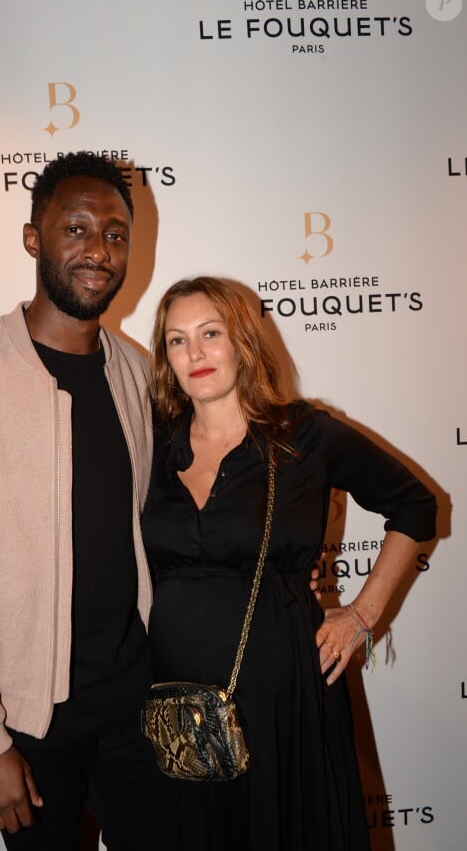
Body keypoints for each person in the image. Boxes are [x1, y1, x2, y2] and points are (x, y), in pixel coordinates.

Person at [0, 151, 178, 851]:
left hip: (136, 708)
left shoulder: (138, 375)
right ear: (34, 238)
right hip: (27, 725)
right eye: (77, 228)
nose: (98, 249)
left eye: (115, 234)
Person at [141, 276, 437, 850]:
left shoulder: (303, 436)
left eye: (210, 333)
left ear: (244, 341)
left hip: (280, 693)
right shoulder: (152, 441)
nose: (195, 353)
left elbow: (415, 507)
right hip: (176, 699)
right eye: (177, 341)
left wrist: (362, 614)